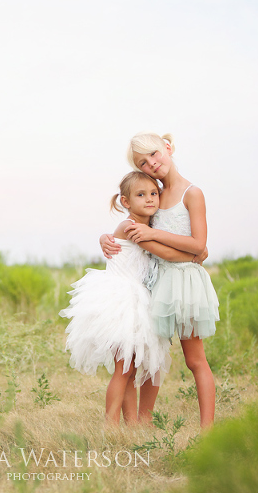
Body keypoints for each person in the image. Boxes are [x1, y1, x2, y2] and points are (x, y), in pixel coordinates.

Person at [100, 132, 220, 428]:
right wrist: (105, 237)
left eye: (154, 154)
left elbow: (198, 244)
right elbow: (131, 229)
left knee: (195, 359)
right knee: (151, 356)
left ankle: (208, 430)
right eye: (144, 162)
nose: (152, 163)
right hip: (154, 286)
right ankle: (142, 422)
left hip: (185, 286)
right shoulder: (152, 194)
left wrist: (154, 234)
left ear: (168, 148)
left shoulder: (192, 193)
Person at [61, 171, 195, 426]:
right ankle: (110, 425)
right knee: (124, 369)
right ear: (126, 202)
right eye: (141, 195)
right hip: (122, 302)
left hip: (141, 301)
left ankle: (133, 425)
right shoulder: (132, 227)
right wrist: (195, 252)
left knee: (138, 367)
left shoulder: (150, 226)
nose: (149, 199)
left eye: (154, 193)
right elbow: (165, 253)